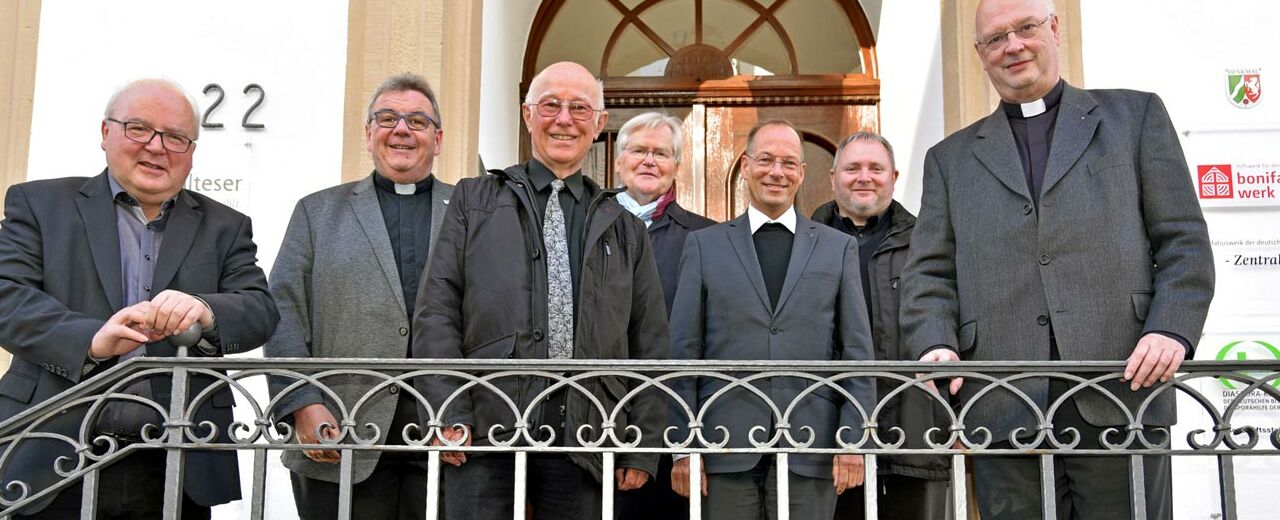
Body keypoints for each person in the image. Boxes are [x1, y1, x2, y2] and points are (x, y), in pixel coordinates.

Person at [900, 0, 1215, 518]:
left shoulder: (1135, 118)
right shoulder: (949, 159)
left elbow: (1183, 241)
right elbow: (929, 273)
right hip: (1003, 399)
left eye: (1025, 28)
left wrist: (1172, 330)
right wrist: (935, 342)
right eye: (996, 38)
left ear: (1054, 29)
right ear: (980, 54)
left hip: (1123, 384)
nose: (1013, 46)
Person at [0, 78, 278, 518]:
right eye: (138, 128)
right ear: (105, 132)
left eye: (175, 137)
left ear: (191, 151)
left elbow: (260, 310)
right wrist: (91, 340)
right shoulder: (39, 203)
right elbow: (7, 298)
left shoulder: (227, 225)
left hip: (178, 458)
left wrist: (206, 311)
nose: (156, 146)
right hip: (52, 452)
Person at [412, 61, 668, 520]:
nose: (564, 119)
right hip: (483, 433)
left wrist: (644, 443)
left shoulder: (625, 227)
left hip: (589, 434)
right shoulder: (473, 201)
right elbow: (437, 311)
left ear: (599, 124)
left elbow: (648, 339)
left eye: (578, 108)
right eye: (550, 105)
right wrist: (447, 409)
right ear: (528, 115)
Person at [265, 73, 454, 520]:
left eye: (417, 121)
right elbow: (283, 310)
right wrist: (300, 403)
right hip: (338, 430)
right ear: (368, 134)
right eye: (387, 118)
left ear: (438, 138)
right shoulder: (317, 211)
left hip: (444, 437)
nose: (401, 129)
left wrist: (467, 411)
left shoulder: (472, 212)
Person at [668, 120, 875, 520]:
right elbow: (683, 351)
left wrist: (853, 440)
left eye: (787, 163)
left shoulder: (838, 248)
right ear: (745, 166)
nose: (776, 172)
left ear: (801, 172)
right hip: (721, 444)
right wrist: (683, 446)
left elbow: (856, 352)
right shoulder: (704, 246)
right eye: (765, 160)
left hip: (813, 443)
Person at [809, 132, 948, 520]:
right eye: (853, 168)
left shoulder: (929, 241)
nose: (864, 177)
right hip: (824, 440)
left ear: (894, 176)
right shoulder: (804, 242)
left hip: (916, 434)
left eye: (876, 168)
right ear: (833, 176)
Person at [610, 111, 715, 520]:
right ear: (619, 161)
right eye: (639, 150)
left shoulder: (704, 238)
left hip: (676, 426)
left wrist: (693, 443)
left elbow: (710, 342)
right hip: (599, 420)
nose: (649, 160)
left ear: (676, 166)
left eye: (661, 153)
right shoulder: (585, 229)